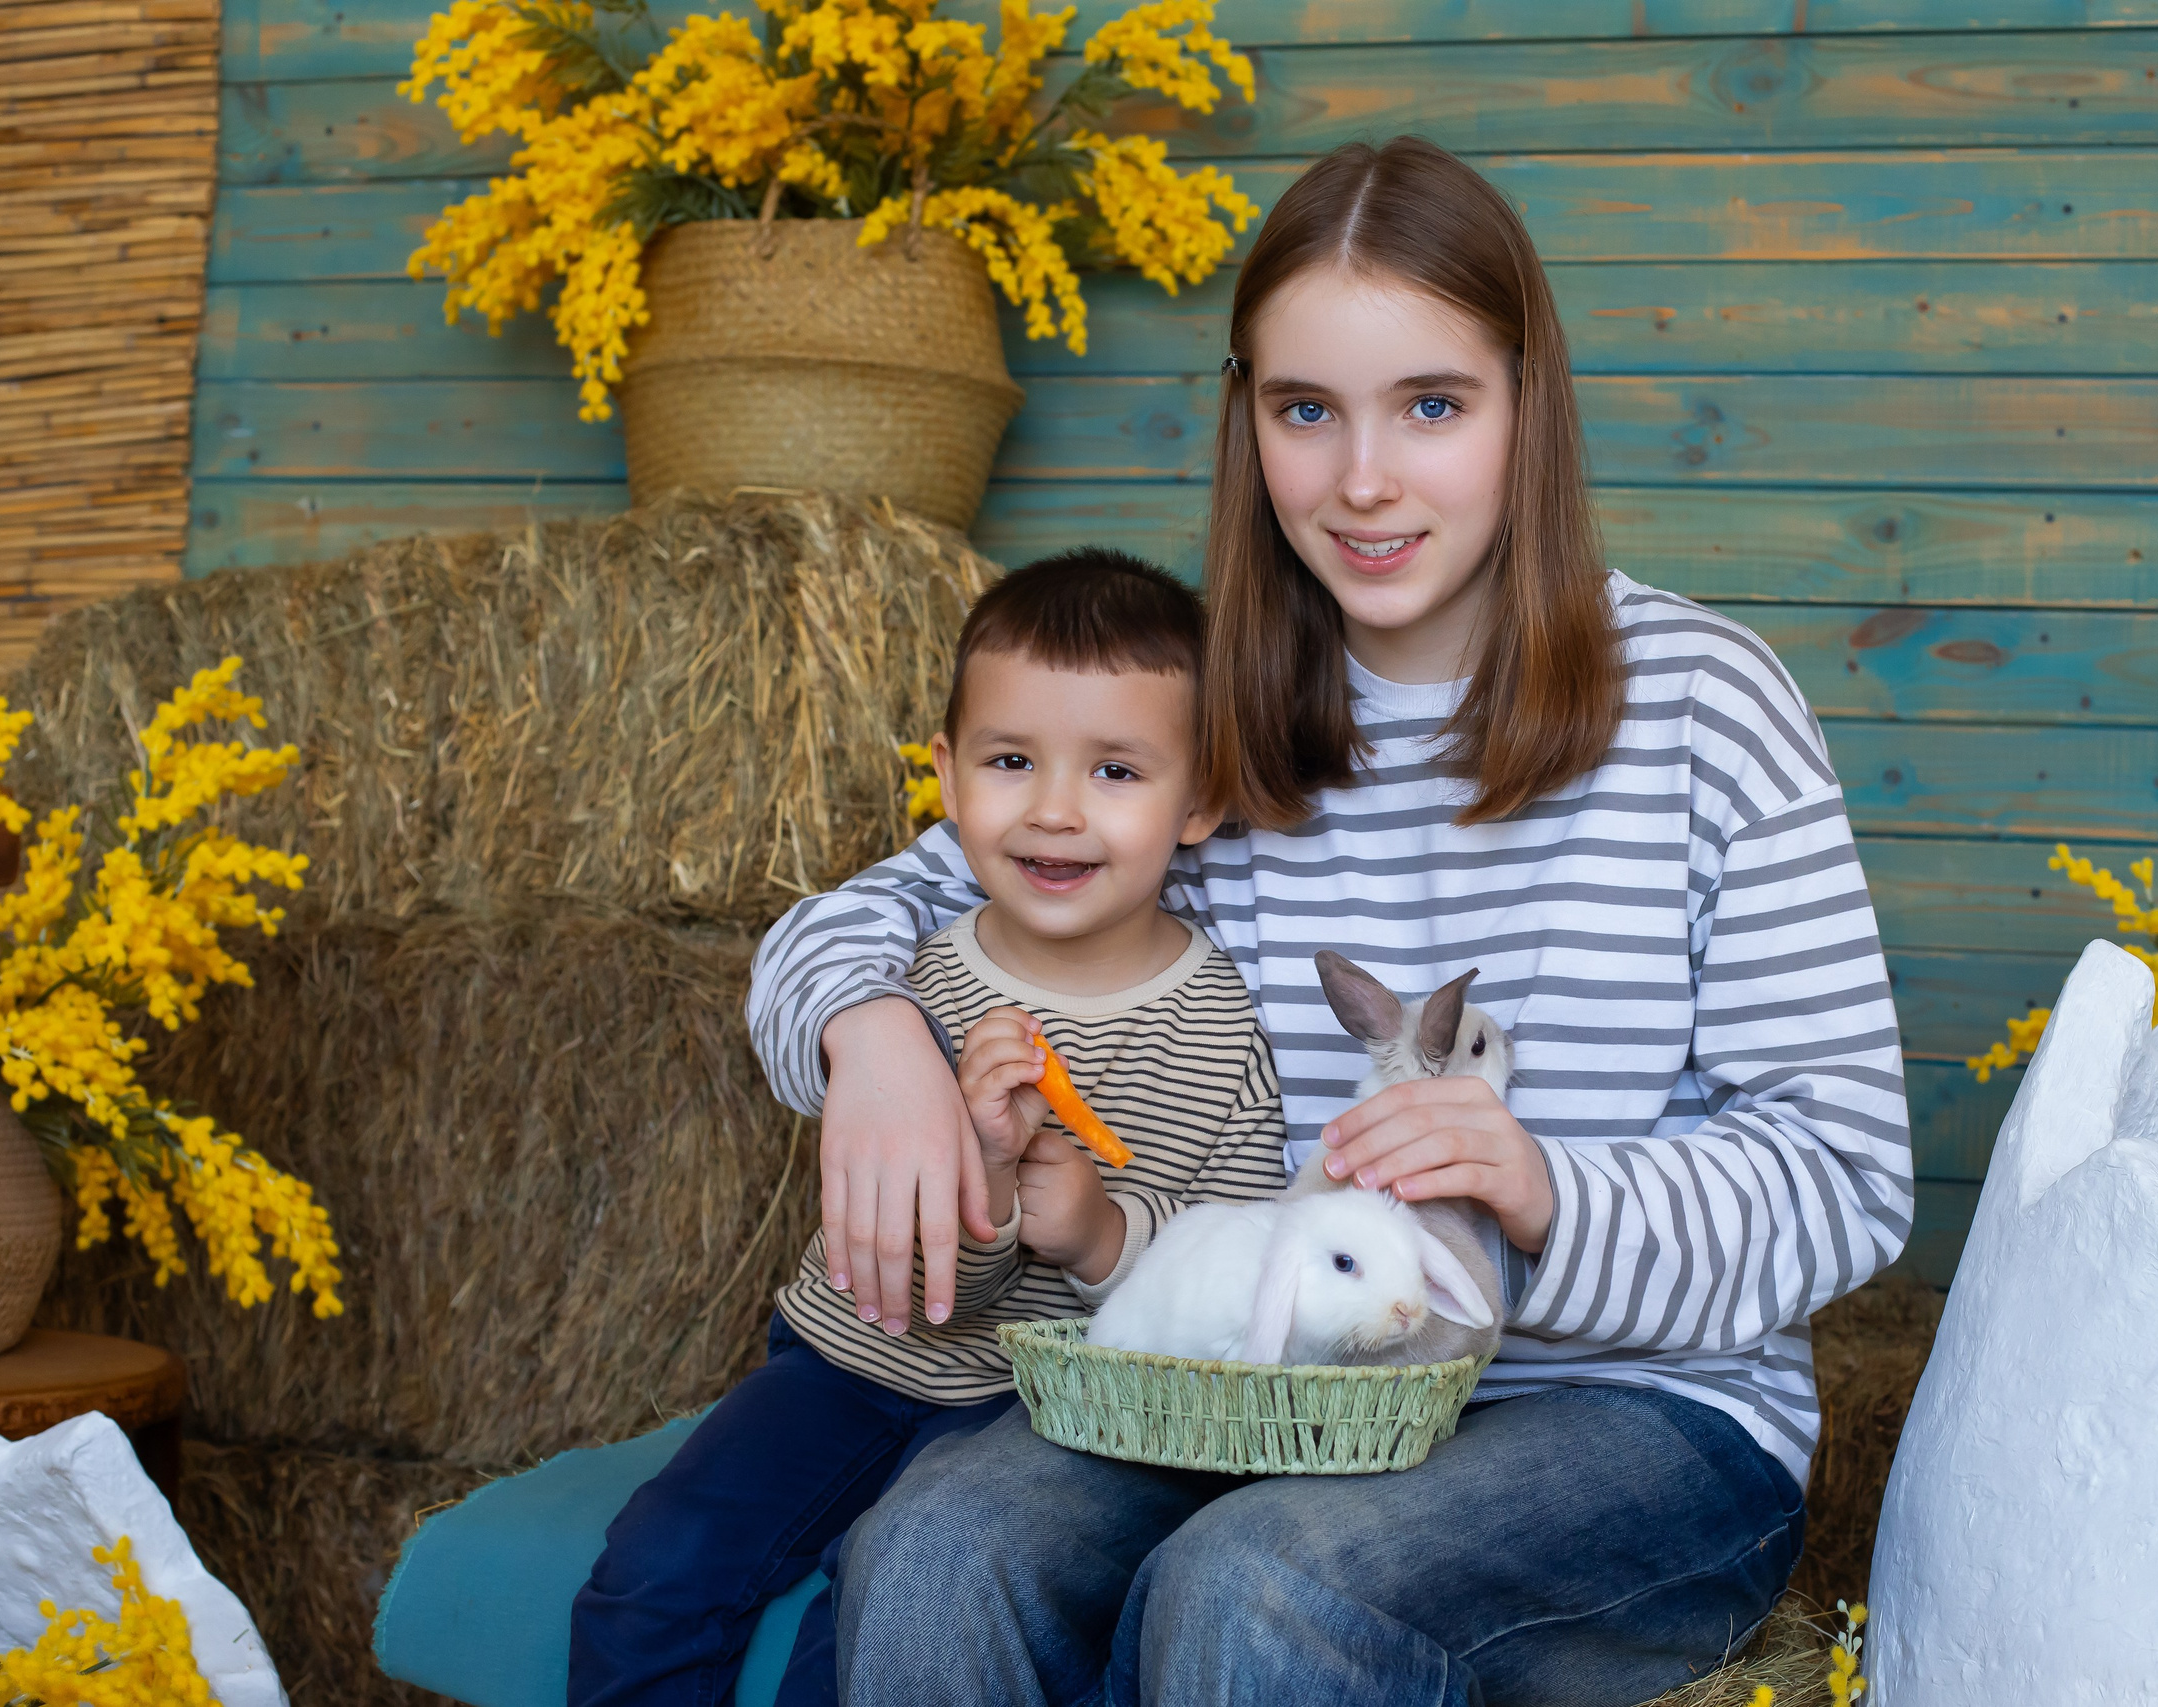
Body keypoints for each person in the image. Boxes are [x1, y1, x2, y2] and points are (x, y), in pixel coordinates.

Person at [744, 136, 1915, 1706]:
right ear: (1250, 422)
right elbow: (861, 917)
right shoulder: (1201, 717)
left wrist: (1545, 1189)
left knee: (1263, 1586)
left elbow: (1848, 1177)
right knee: (939, 1543)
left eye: (1432, 405)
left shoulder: (1709, 707)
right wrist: (868, 1031)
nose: (1364, 480)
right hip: (1266, 1394)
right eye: (1307, 411)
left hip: (1640, 1420)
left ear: (1527, 404)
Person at [568, 549, 1289, 1707]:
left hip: (1039, 1411)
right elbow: (892, 1269)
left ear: (1199, 800)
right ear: (949, 782)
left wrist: (1100, 1234)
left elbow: (1233, 1262)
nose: (1053, 810)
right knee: (652, 1571)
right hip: (851, 1361)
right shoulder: (911, 992)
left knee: (872, 1624)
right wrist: (986, 1186)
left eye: (1114, 770)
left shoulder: (1219, 1030)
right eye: (1011, 762)